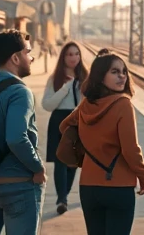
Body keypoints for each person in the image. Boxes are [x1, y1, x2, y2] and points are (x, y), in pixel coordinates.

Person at [60, 49, 144, 235]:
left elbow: (64, 126)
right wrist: (143, 175)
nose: (122, 76)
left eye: (124, 72)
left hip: (89, 187)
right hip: (119, 186)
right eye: (115, 72)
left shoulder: (86, 104)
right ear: (101, 76)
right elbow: (130, 149)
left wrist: (88, 141)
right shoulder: (123, 104)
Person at [0, 30, 47, 235]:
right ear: (15, 58)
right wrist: (37, 167)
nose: (31, 58)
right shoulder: (19, 91)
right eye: (28, 53)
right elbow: (16, 137)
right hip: (17, 185)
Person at [42, 41, 88, 215]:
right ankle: (62, 199)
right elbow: (47, 105)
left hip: (78, 121)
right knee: (60, 161)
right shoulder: (55, 79)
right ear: (63, 57)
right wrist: (65, 89)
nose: (73, 58)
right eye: (69, 54)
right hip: (60, 120)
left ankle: (64, 196)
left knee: (73, 162)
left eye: (76, 54)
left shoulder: (86, 78)